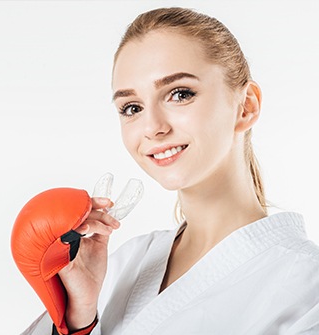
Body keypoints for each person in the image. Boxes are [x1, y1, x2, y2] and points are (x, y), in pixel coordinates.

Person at [22, 7, 319, 335]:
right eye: (131, 108)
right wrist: (79, 319)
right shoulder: (126, 263)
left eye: (180, 94)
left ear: (246, 105)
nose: (152, 127)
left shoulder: (306, 284)